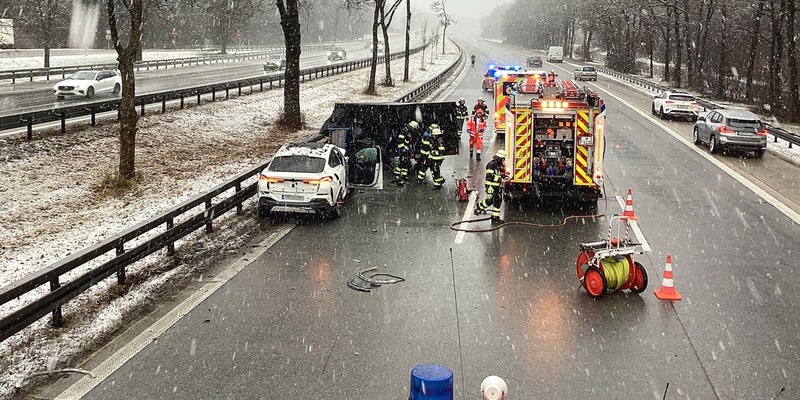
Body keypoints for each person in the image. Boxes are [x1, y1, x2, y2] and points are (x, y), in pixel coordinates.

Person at [474, 149, 508, 224]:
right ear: (499, 158)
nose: (503, 160)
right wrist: (500, 179)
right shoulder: (491, 165)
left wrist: (504, 177)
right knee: (492, 200)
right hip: (491, 186)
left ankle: (495, 217)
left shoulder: (499, 165)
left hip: (497, 186)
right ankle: (480, 206)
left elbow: (499, 174)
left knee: (497, 201)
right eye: (503, 159)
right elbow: (489, 176)